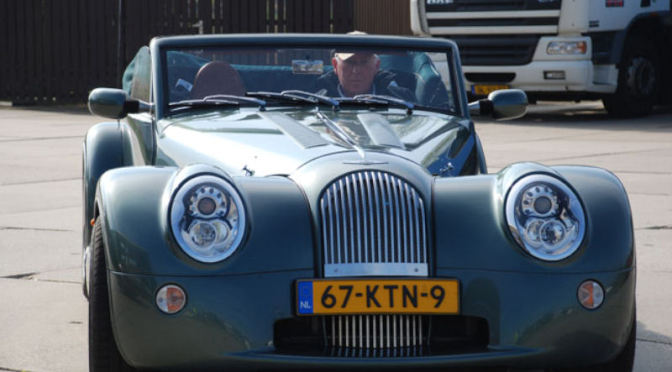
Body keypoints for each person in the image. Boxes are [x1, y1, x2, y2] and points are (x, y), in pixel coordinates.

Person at [315, 48, 417, 101]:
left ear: (376, 66)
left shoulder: (401, 99)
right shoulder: (315, 101)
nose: (356, 71)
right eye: (349, 62)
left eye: (364, 62)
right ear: (335, 65)